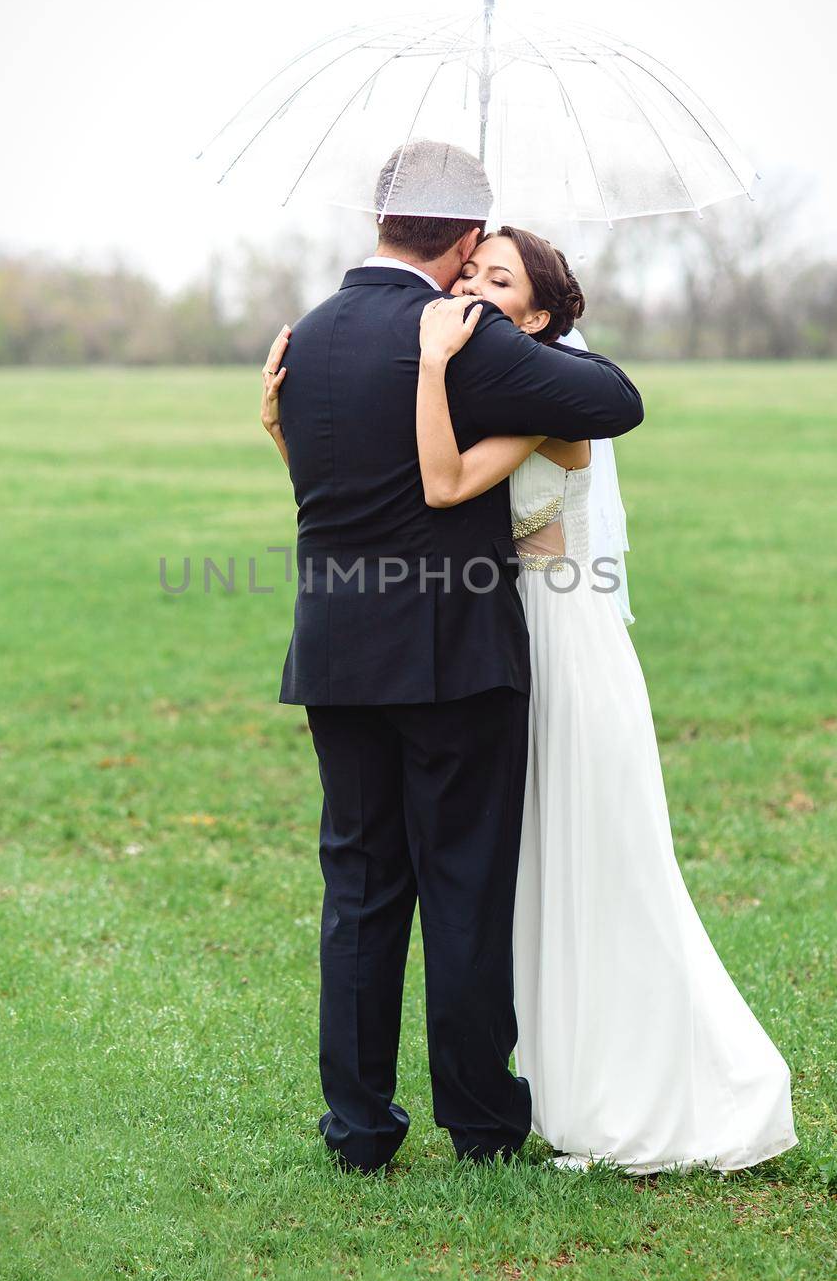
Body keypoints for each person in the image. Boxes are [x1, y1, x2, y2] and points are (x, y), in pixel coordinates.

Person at [261, 140, 644, 1173]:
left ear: (377, 220)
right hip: (453, 656)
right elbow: (614, 405)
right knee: (464, 885)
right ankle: (478, 1120)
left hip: (335, 650)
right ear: (467, 237)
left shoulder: (308, 336)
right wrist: (512, 340)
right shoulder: (463, 332)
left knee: (360, 883)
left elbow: (329, 483)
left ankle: (358, 1130)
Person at [409, 226, 798, 1174]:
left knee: (596, 860)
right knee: (538, 867)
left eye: (499, 280)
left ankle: (642, 1089)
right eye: (470, 270)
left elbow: (445, 483)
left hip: (566, 645)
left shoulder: (556, 404)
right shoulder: (496, 386)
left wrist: (428, 363)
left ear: (538, 317)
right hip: (511, 643)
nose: (472, 286)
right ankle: (562, 1081)